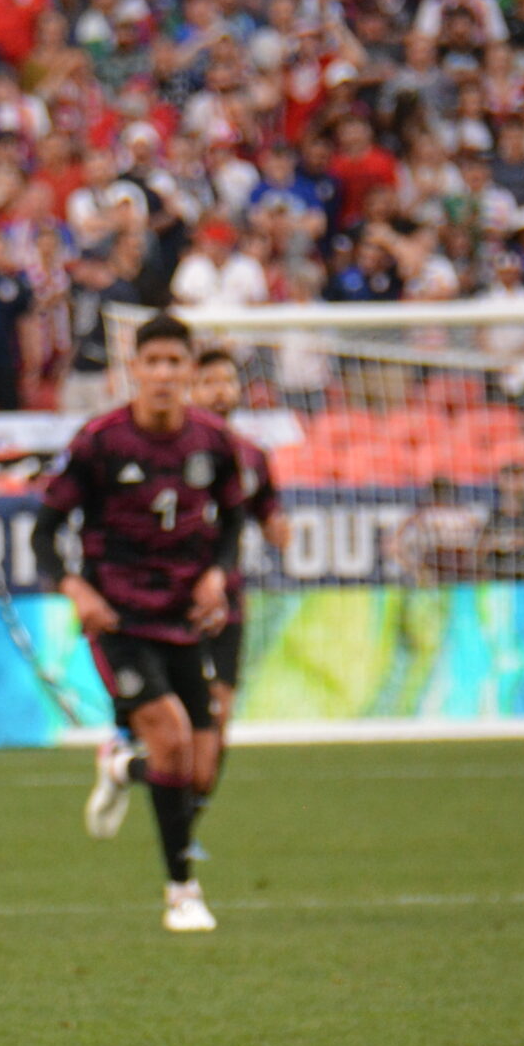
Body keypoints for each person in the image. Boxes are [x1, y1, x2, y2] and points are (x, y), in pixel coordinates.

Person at [34, 313, 247, 934]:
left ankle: (122, 768)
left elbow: (234, 520)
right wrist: (75, 588)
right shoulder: (100, 441)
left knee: (199, 770)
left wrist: (217, 573)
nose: (161, 375)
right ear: (134, 369)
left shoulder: (213, 441)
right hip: (119, 616)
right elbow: (45, 531)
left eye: (173, 363)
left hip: (184, 616)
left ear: (189, 372)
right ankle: (182, 890)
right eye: (150, 363)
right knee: (173, 739)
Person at [188, 346, 291, 844]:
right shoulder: (173, 449)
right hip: (173, 601)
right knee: (172, 718)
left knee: (220, 717)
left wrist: (278, 527)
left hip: (227, 601)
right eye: (209, 381)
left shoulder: (252, 455)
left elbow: (268, 513)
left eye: (227, 381)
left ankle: (191, 817)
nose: (220, 390)